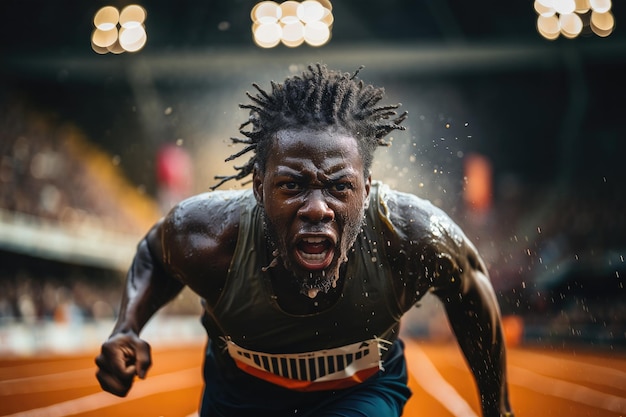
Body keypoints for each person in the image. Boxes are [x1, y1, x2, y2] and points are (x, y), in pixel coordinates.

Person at [95, 63, 514, 417]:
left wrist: (499, 411)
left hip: (359, 391)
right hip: (240, 394)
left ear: (367, 190)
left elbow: (470, 286)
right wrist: (126, 327)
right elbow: (155, 252)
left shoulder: (411, 238)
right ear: (259, 187)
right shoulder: (209, 236)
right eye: (292, 185)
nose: (317, 208)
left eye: (339, 187)